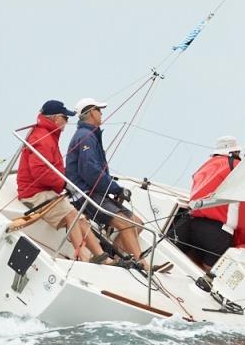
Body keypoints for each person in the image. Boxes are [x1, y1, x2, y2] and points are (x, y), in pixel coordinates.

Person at [16, 100, 111, 264]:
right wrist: (63, 184)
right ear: (56, 119)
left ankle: (102, 256)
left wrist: (64, 183)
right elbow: (39, 172)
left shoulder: (47, 135)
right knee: (71, 213)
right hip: (33, 193)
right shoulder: (43, 138)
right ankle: (82, 256)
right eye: (65, 118)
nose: (67, 121)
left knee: (80, 218)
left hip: (45, 190)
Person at [65, 97, 147, 268]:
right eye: (99, 110)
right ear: (91, 113)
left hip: (97, 192)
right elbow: (90, 171)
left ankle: (116, 257)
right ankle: (142, 264)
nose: (101, 114)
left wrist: (114, 189)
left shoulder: (90, 135)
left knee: (137, 223)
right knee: (124, 223)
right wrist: (116, 189)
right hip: (85, 194)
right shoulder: (85, 136)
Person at [183, 136, 242, 273]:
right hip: (219, 232)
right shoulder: (235, 165)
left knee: (190, 263)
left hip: (192, 225)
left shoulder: (204, 166)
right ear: (233, 152)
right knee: (213, 272)